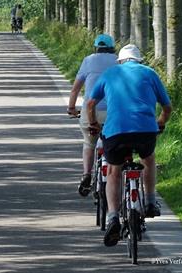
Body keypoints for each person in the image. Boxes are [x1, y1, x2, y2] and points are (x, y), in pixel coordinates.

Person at [87, 44, 172, 247]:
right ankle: (150, 202)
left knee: (114, 172)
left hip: (116, 131)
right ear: (139, 60)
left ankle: (113, 218)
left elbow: (90, 104)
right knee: (148, 159)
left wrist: (93, 124)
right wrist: (159, 123)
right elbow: (167, 107)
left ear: (121, 61)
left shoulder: (110, 73)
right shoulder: (150, 73)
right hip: (145, 130)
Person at [67, 33, 117, 196]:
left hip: (90, 111)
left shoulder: (88, 60)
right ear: (112, 48)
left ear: (96, 47)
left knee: (89, 143)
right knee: (114, 143)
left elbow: (76, 88)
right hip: (113, 112)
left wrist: (71, 108)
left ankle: (87, 174)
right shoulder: (118, 61)